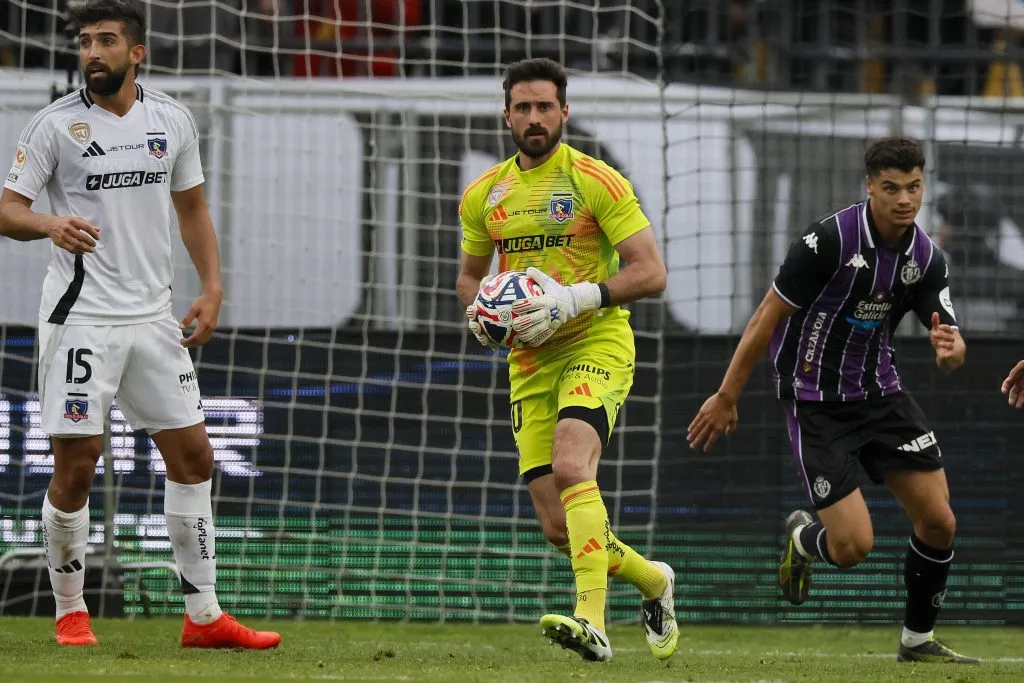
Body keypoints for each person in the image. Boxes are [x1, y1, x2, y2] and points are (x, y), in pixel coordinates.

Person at [0, 0, 280, 650]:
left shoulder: (171, 120)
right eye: (85, 42)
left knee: (194, 457)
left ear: (137, 52)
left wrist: (212, 287)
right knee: (78, 466)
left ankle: (204, 615)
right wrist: (49, 222)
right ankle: (71, 611)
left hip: (154, 317)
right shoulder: (53, 126)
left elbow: (193, 208)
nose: (92, 52)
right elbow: (8, 208)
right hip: (82, 319)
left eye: (105, 41)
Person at [687, 137, 979, 664]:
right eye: (890, 188)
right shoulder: (828, 241)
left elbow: (950, 348)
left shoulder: (926, 258)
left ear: (922, 186)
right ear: (870, 187)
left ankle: (917, 642)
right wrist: (727, 394)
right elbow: (765, 318)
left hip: (881, 395)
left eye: (913, 187)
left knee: (940, 521)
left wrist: (953, 349)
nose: (904, 200)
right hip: (815, 401)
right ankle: (805, 539)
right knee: (852, 548)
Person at [456, 57, 674, 663]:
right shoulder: (484, 195)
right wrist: (481, 315)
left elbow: (651, 272)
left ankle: (592, 622)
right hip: (528, 363)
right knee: (558, 528)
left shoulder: (594, 180)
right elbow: (471, 277)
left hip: (594, 341)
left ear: (564, 113)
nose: (534, 118)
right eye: (522, 108)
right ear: (506, 116)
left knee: (575, 465)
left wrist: (575, 298)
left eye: (545, 107)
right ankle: (654, 580)